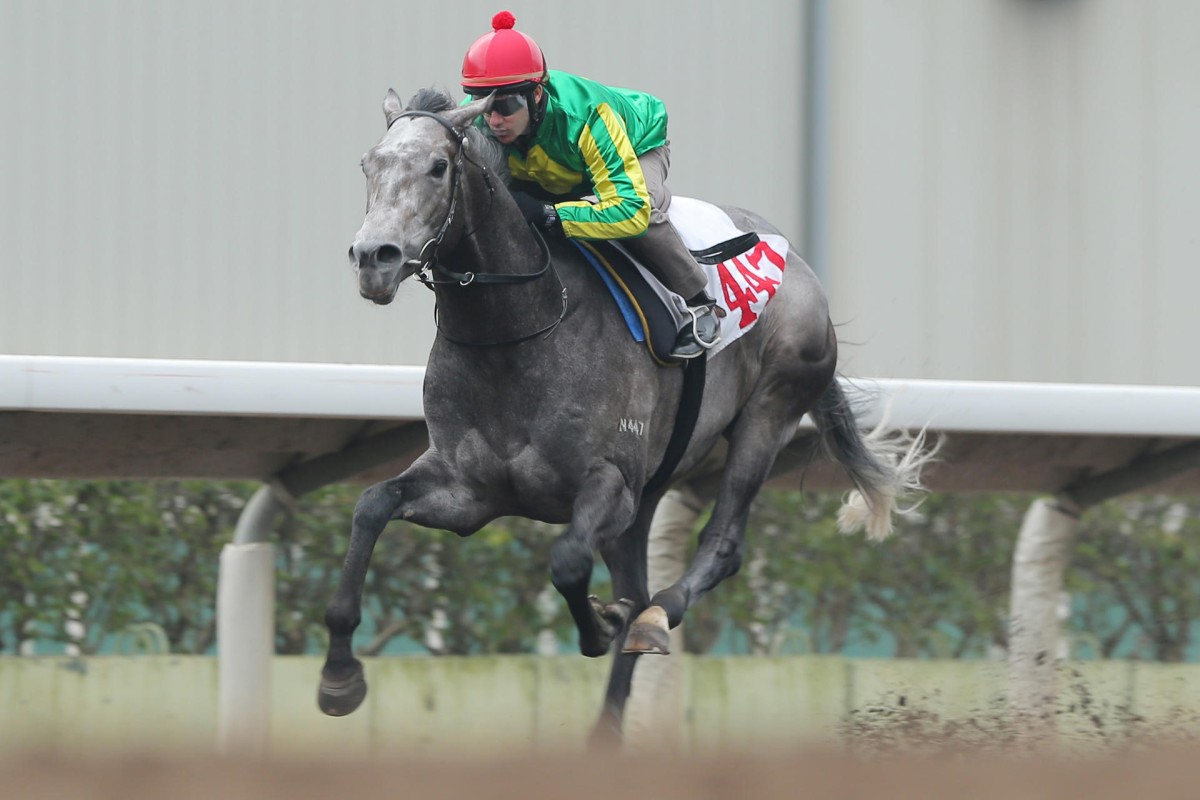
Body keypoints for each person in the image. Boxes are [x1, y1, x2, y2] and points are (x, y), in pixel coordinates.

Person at [460, 11, 721, 360]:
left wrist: (550, 213)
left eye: (506, 105)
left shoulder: (587, 117)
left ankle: (700, 303)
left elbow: (629, 212)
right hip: (556, 162)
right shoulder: (478, 116)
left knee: (642, 210)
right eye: (485, 104)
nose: (493, 120)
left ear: (536, 95)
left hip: (635, 145)